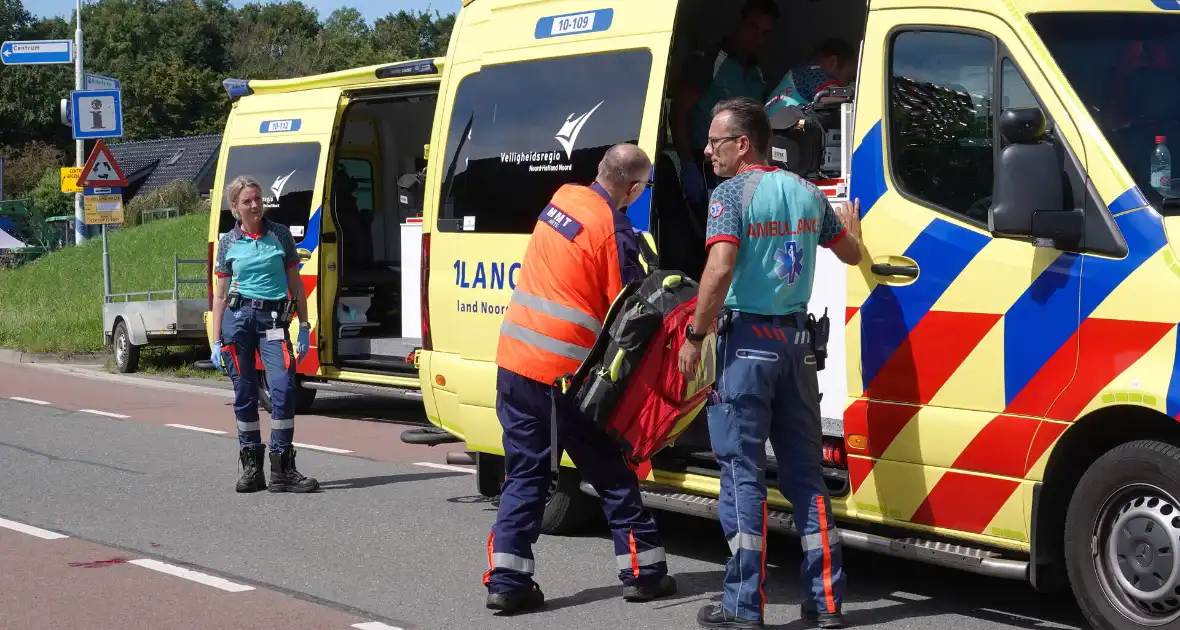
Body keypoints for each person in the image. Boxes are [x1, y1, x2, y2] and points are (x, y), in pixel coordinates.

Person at [677, 97, 863, 629]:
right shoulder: (806, 191)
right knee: (807, 477)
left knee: (743, 477)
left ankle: (743, 608)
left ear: (743, 144)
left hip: (747, 346)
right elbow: (848, 253)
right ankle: (826, 604)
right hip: (798, 345)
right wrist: (852, 228)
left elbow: (719, 267)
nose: (708, 151)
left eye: (715, 142)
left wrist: (696, 334)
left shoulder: (730, 194)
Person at [482, 144, 677, 614]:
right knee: (609, 467)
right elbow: (631, 310)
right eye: (644, 187)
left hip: (514, 362)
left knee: (525, 471)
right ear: (633, 188)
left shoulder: (563, 198)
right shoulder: (616, 231)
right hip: (564, 376)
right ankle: (643, 572)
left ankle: (507, 580)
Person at [211, 175, 318, 495]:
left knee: (284, 389)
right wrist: (215, 340)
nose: (255, 205)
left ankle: (282, 468)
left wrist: (303, 325)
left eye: (258, 199)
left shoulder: (281, 235)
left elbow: (296, 284)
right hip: (238, 320)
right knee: (244, 395)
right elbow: (219, 295)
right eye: (247, 201)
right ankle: (252, 468)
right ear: (235, 208)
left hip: (273, 320)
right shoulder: (227, 242)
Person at [671, 0, 779, 210]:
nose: (758, 38)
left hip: (746, 171)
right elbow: (678, 114)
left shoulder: (757, 73)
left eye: (765, 33)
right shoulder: (709, 61)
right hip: (708, 168)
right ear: (740, 22)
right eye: (753, 28)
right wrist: (687, 164)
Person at [765, 39, 859, 117]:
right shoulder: (812, 73)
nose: (846, 85)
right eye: (847, 79)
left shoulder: (796, 76)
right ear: (832, 62)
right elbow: (832, 96)